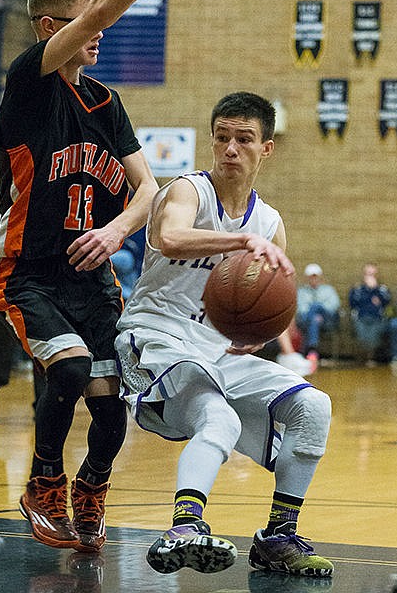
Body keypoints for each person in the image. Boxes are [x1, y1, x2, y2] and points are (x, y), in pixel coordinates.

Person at [0, 0, 218, 553]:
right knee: (69, 370)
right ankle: (42, 483)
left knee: (113, 402)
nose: (100, 32)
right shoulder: (28, 83)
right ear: (49, 28)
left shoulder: (104, 102)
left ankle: (90, 488)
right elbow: (101, 12)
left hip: (92, 281)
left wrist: (119, 229)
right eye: (85, 22)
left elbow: (148, 187)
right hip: (29, 273)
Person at [115, 92, 333, 578]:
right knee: (219, 417)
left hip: (215, 349)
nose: (231, 149)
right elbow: (169, 237)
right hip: (155, 335)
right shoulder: (189, 190)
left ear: (266, 148)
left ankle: (278, 536)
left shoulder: (270, 221)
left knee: (313, 407)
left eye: (244, 139)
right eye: (222, 138)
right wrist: (240, 241)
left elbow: (277, 299)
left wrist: (260, 331)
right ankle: (184, 526)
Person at [0, 174, 45, 423]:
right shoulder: (20, 137)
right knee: (1, 321)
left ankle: (46, 401)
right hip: (12, 244)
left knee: (48, 327)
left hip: (49, 246)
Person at [348, 263, 391, 366]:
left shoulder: (382, 289)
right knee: (362, 337)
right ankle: (362, 358)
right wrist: (369, 295)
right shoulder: (358, 289)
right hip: (361, 318)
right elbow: (353, 302)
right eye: (368, 274)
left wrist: (375, 289)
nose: (370, 277)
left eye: (373, 274)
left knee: (373, 337)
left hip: (377, 319)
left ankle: (371, 357)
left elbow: (386, 301)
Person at [296, 264, 340, 357]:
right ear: (307, 278)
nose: (313, 280)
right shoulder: (302, 292)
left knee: (316, 306)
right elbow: (300, 309)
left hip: (327, 319)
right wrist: (314, 316)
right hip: (308, 320)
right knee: (314, 320)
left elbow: (334, 306)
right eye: (311, 277)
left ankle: (310, 350)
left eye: (315, 277)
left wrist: (319, 311)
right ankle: (313, 349)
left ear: (320, 277)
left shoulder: (328, 290)